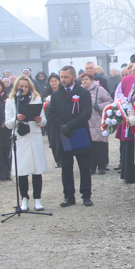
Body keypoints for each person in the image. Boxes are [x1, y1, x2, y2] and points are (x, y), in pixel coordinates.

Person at [47, 65, 92, 207]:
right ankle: (69, 196)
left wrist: (70, 125)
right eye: (61, 77)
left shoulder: (83, 93)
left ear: (73, 77)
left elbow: (86, 113)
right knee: (66, 167)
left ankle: (86, 195)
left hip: (79, 131)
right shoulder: (55, 95)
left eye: (66, 77)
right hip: (64, 134)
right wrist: (62, 126)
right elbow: (51, 113)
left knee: (84, 165)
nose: (63, 80)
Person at [6, 76, 48, 211]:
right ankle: (24, 199)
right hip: (20, 138)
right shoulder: (11, 101)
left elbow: (44, 121)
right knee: (22, 171)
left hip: (34, 137)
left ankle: (37, 199)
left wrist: (39, 119)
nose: (23, 89)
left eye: (25, 86)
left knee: (37, 170)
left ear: (29, 87)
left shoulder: (36, 98)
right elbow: (8, 124)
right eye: (21, 86)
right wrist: (16, 118)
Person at [80, 72, 112, 175]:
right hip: (86, 122)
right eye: (83, 80)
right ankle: (91, 167)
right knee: (89, 146)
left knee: (100, 146)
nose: (85, 81)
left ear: (92, 80)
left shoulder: (100, 90)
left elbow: (110, 102)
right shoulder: (80, 91)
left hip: (98, 121)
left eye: (87, 79)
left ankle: (102, 166)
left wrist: (100, 106)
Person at [43, 73, 62, 167]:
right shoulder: (46, 93)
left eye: (55, 81)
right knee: (52, 140)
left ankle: (63, 158)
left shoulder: (62, 91)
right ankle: (57, 160)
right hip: (50, 120)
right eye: (52, 81)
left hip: (61, 118)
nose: (54, 83)